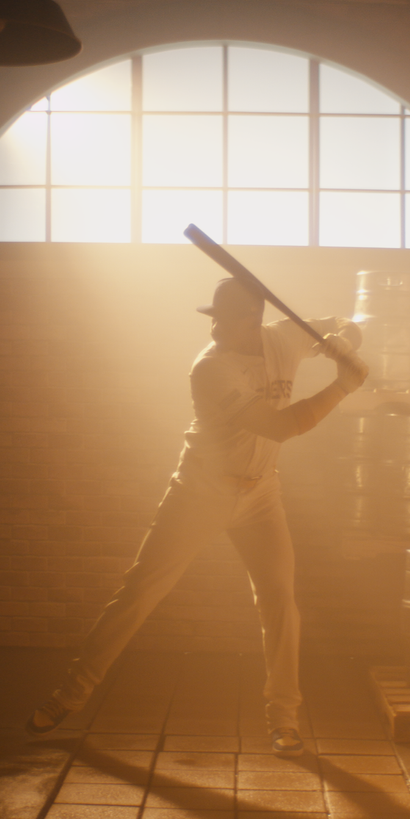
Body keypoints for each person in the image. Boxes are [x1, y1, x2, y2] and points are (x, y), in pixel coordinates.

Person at [27, 277, 370, 756]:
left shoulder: (285, 336)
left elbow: (349, 324)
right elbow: (281, 425)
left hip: (261, 493)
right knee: (142, 588)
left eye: (224, 319)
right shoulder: (209, 368)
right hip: (201, 490)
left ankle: (284, 719)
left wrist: (342, 340)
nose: (214, 328)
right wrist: (341, 386)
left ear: (252, 317)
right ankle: (71, 693)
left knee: (280, 601)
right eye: (212, 317)